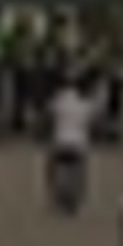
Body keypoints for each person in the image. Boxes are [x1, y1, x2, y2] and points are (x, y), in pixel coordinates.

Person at [47, 72, 94, 215]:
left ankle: (57, 196)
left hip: (60, 141)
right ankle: (75, 199)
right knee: (79, 172)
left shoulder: (60, 100)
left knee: (53, 169)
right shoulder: (86, 105)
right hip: (79, 144)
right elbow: (92, 122)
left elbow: (50, 113)